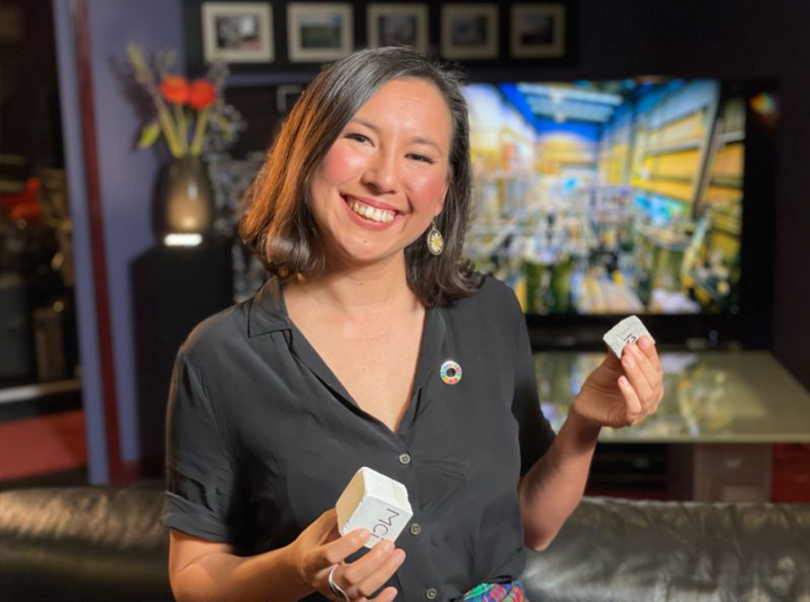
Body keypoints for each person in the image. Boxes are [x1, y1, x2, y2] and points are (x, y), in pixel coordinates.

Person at [163, 47, 664, 602]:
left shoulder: (490, 312)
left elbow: (532, 524)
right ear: (308, 151)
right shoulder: (220, 356)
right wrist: (296, 567)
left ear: (444, 190)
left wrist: (583, 425)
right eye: (359, 139)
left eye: (419, 156)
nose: (383, 178)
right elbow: (193, 577)